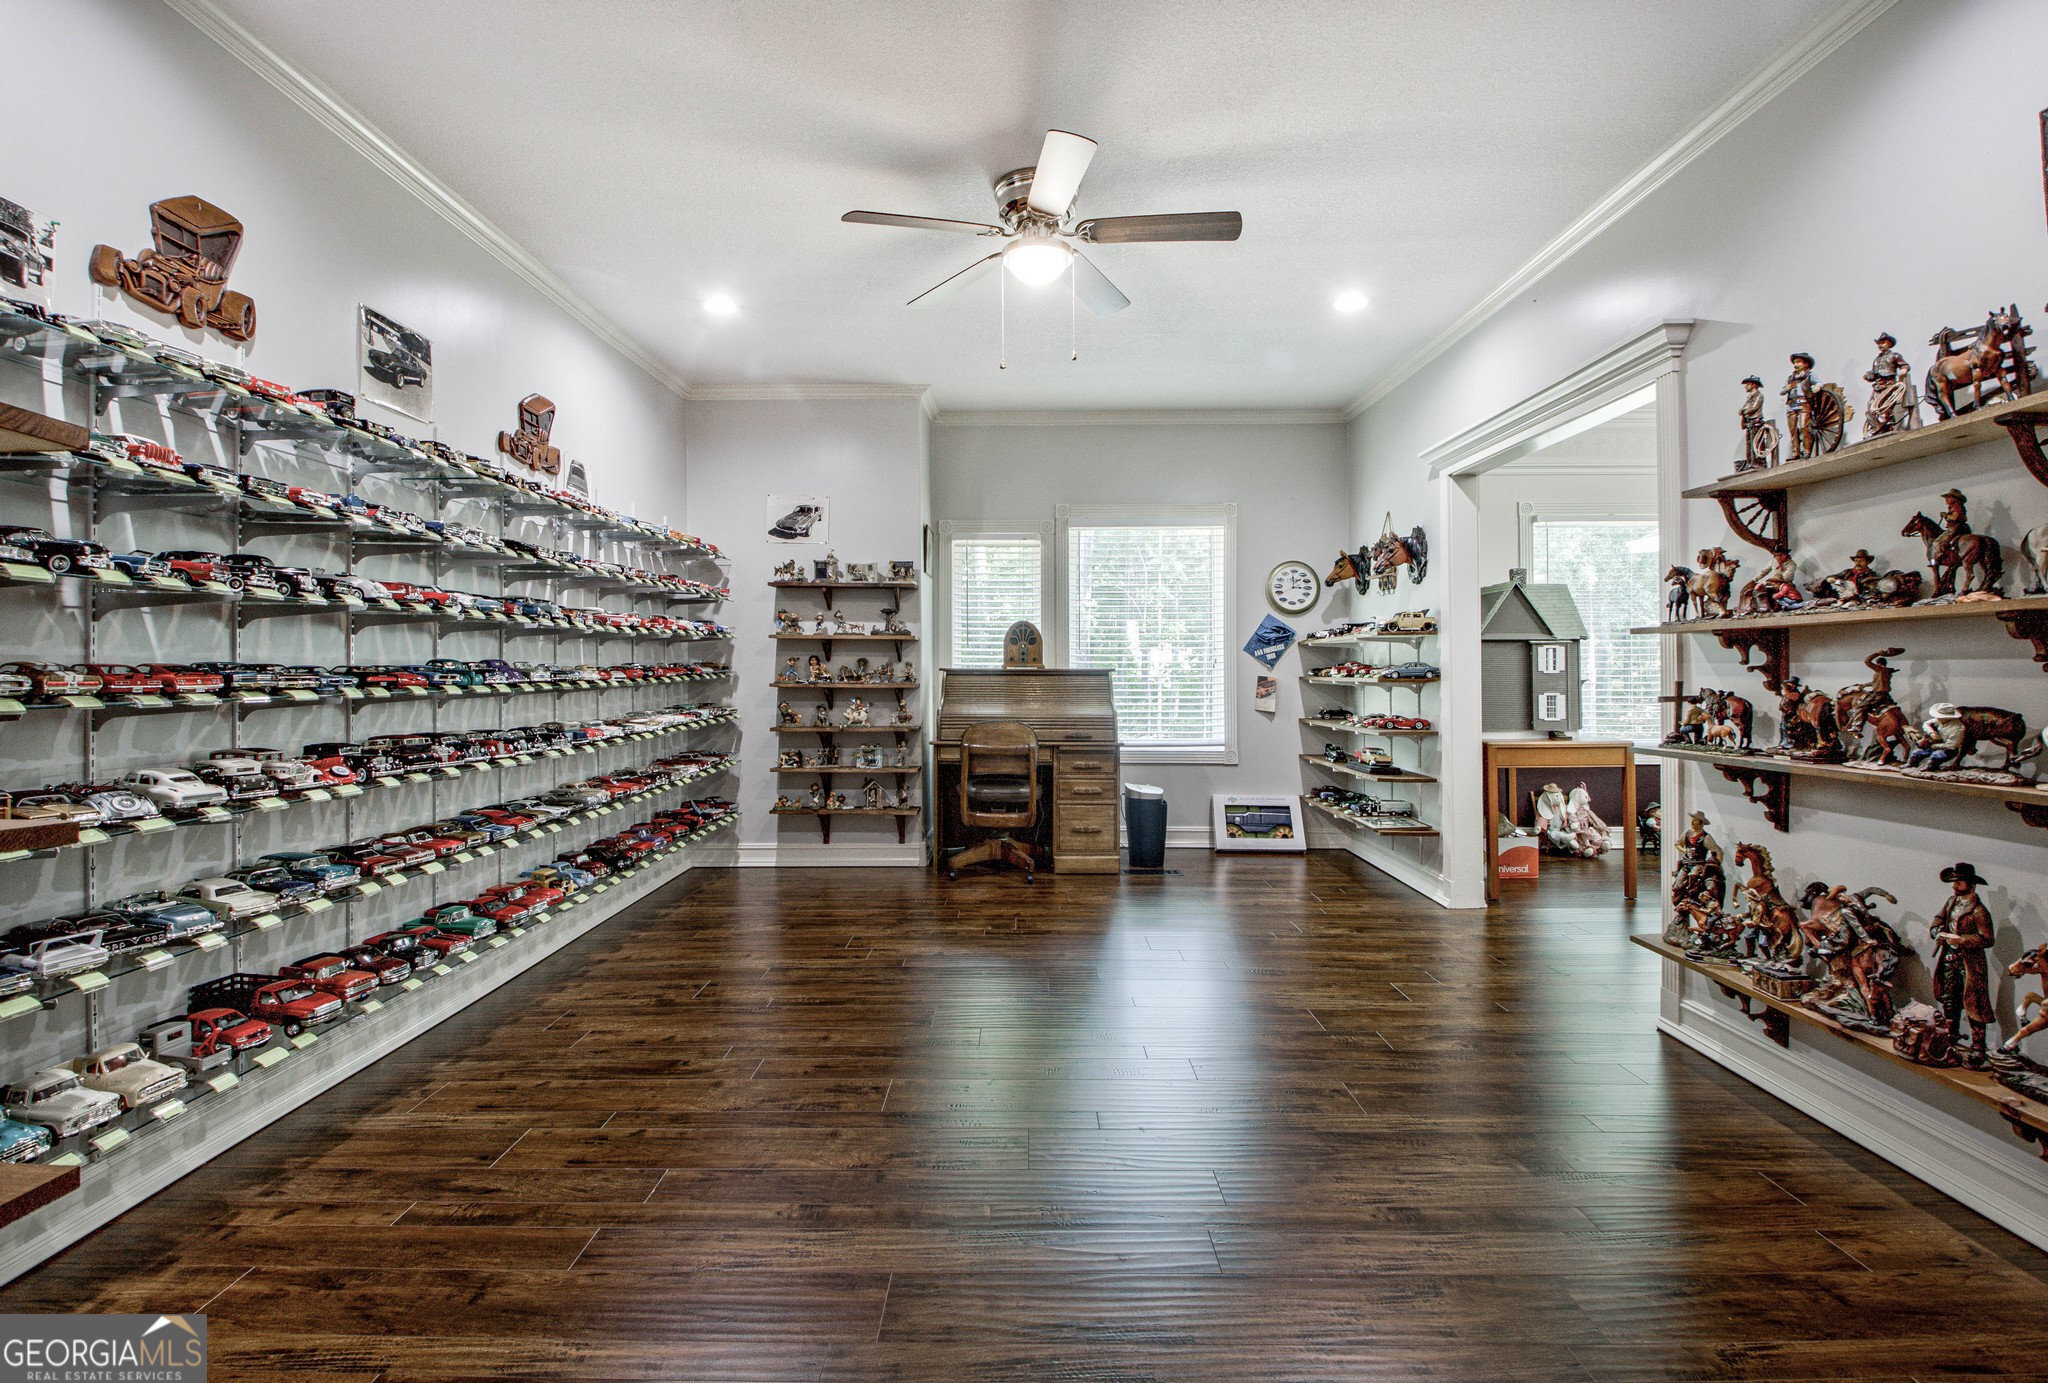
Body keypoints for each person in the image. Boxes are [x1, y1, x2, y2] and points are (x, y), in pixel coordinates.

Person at [1931, 862, 1996, 1066]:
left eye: (1958, 882)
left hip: (1970, 963)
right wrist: (1936, 932)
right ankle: (1952, 1038)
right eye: (1954, 882)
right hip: (1949, 958)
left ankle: (1978, 1047)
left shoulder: (1978, 911)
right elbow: (1938, 920)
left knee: (1974, 1004)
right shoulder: (1952, 902)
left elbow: (1987, 939)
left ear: (1970, 884)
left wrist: (1962, 940)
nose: (1954, 886)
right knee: (1950, 999)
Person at [1862, 333, 1919, 438]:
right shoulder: (1876, 360)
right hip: (1878, 386)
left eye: (1882, 343)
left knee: (1885, 409)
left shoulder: (1894, 356)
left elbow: (1905, 365)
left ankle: (1883, 427)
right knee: (1871, 408)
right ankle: (1877, 428)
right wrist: (1868, 376)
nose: (1880, 345)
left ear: (1889, 343)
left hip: (1889, 385)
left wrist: (1904, 370)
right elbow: (1873, 374)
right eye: (1879, 343)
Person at [1907, 703, 1966, 771]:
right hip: (1934, 745)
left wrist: (1935, 746)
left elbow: (1951, 746)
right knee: (1916, 753)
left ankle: (1931, 768)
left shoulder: (1958, 728)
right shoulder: (1939, 720)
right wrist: (1932, 733)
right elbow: (1926, 724)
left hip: (1948, 750)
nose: (1938, 718)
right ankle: (1911, 764)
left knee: (1936, 755)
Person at [1782, 353, 1819, 459]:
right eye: (1794, 362)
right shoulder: (1791, 378)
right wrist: (1786, 388)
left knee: (1804, 427)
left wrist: (1817, 387)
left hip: (1804, 403)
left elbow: (1818, 383)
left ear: (1805, 364)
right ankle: (1795, 452)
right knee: (1792, 429)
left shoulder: (1809, 375)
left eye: (1798, 362)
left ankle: (1806, 450)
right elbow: (1782, 391)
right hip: (1792, 405)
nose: (1795, 364)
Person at [1739, 375, 1778, 470]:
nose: (1745, 387)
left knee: (1757, 443)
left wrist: (1744, 410)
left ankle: (1759, 462)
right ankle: (1751, 462)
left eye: (1747, 384)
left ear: (1753, 385)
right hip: (1749, 423)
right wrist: (1743, 410)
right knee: (1749, 443)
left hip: (1756, 422)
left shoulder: (1759, 396)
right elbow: (1741, 410)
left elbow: (1754, 407)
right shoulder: (1750, 397)